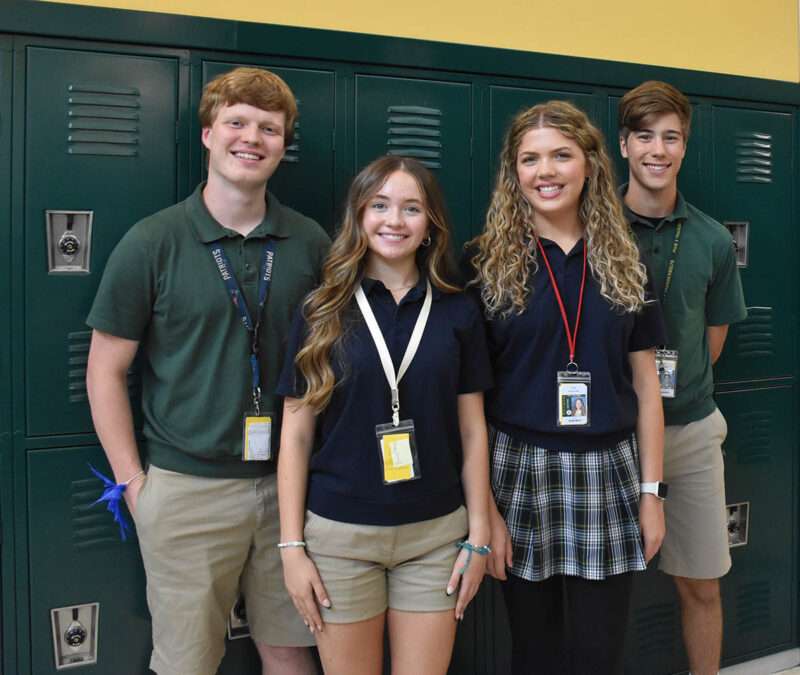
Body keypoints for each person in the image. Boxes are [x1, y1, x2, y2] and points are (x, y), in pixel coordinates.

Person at [85, 67, 330, 675]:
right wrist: (136, 487)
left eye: (269, 128)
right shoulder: (153, 242)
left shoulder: (309, 243)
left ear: (283, 143)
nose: (252, 138)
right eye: (237, 122)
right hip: (184, 490)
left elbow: (331, 361)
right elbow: (104, 371)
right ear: (208, 134)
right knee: (186, 661)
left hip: (290, 490)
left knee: (290, 650)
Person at [465, 100, 666, 675]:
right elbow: (469, 401)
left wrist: (653, 494)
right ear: (514, 172)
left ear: (590, 165)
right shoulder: (484, 262)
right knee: (534, 648)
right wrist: (486, 512)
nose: (545, 172)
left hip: (609, 470)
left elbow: (647, 386)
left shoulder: (627, 258)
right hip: (517, 471)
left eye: (561, 155)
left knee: (599, 651)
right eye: (530, 159)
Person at [276, 155, 493, 675]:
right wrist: (291, 548)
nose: (394, 220)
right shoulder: (321, 310)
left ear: (430, 226)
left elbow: (472, 430)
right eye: (380, 205)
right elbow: (297, 436)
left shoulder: (459, 310)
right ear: (359, 215)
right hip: (340, 538)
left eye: (411, 208)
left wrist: (480, 535)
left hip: (436, 537)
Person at [618, 80, 747, 675]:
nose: (658, 150)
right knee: (601, 593)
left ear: (685, 148)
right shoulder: (595, 231)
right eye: (645, 136)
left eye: (671, 137)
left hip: (689, 433)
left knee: (702, 585)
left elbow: (711, 343)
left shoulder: (712, 240)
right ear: (623, 144)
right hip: (609, 438)